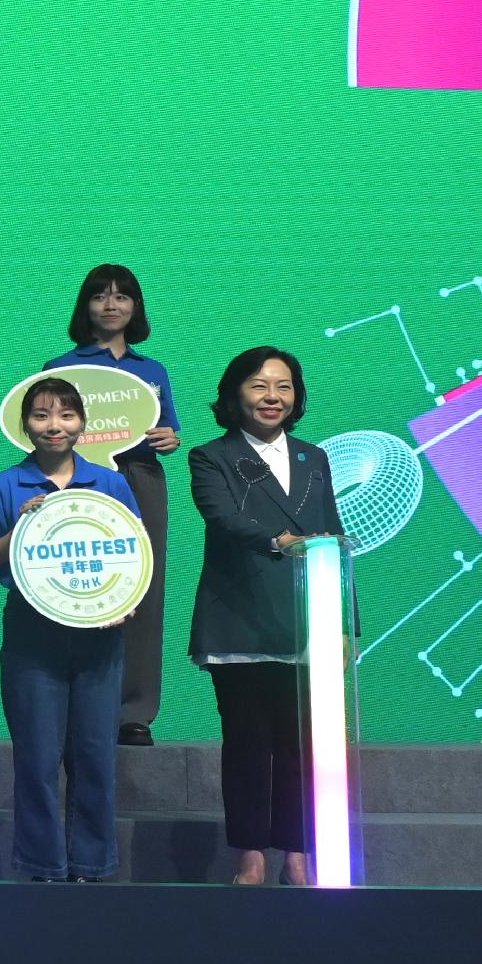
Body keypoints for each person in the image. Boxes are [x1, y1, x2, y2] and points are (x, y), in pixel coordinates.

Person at [190, 346, 346, 886]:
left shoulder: (313, 457)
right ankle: (251, 853)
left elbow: (334, 537)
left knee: (301, 746)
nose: (271, 397)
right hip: (241, 620)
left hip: (308, 622)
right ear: (236, 394)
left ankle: (297, 855)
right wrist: (282, 541)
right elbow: (223, 517)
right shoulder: (212, 456)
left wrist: (346, 624)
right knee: (248, 744)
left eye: (283, 386)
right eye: (259, 386)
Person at [0, 377, 130, 882]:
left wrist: (125, 604)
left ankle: (91, 865)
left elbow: (133, 555)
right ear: (25, 426)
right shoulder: (4, 485)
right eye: (41, 416)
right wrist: (19, 530)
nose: (54, 426)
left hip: (99, 635)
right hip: (32, 636)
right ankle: (43, 865)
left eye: (65, 415)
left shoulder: (109, 481)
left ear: (83, 422)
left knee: (94, 757)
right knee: (38, 760)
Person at [57, 265, 182, 745]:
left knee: (142, 592)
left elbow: (167, 427)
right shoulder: (61, 367)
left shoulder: (152, 371)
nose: (111, 305)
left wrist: (170, 438)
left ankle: (134, 712)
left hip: (141, 479)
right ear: (85, 306)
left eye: (123, 296)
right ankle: (77, 703)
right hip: (78, 481)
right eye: (101, 296)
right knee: (77, 583)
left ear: (136, 308)